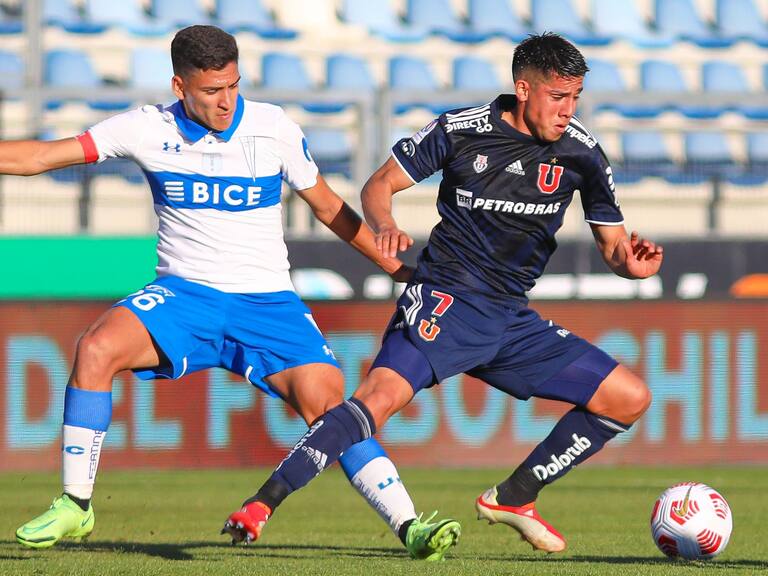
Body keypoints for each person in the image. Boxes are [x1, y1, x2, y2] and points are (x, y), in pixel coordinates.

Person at [10, 25, 460, 560]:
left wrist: (394, 267)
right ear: (180, 86)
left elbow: (326, 206)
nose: (226, 102)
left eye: (233, 86)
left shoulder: (272, 127)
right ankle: (76, 504)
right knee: (95, 348)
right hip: (184, 297)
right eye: (211, 91)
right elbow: (39, 157)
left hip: (267, 304)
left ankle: (410, 527)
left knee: (331, 407)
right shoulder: (145, 128)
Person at [225, 32, 662, 554]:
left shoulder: (582, 153)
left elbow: (613, 248)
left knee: (629, 397)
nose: (568, 110)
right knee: (375, 403)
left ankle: (516, 495)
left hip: (509, 319)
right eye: (557, 96)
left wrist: (631, 266)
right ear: (524, 89)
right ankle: (261, 503)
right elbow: (378, 185)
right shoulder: (461, 130)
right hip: (446, 299)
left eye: (575, 98)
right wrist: (384, 224)